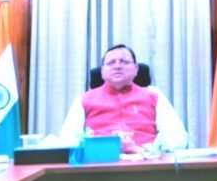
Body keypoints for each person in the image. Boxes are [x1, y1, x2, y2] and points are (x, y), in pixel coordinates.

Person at [60, 44, 188, 156]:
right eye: (111, 63)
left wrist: (146, 150)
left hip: (145, 161)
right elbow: (68, 139)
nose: (117, 66)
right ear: (102, 71)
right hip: (99, 162)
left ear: (136, 69)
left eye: (124, 62)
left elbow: (177, 137)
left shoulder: (154, 96)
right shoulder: (84, 99)